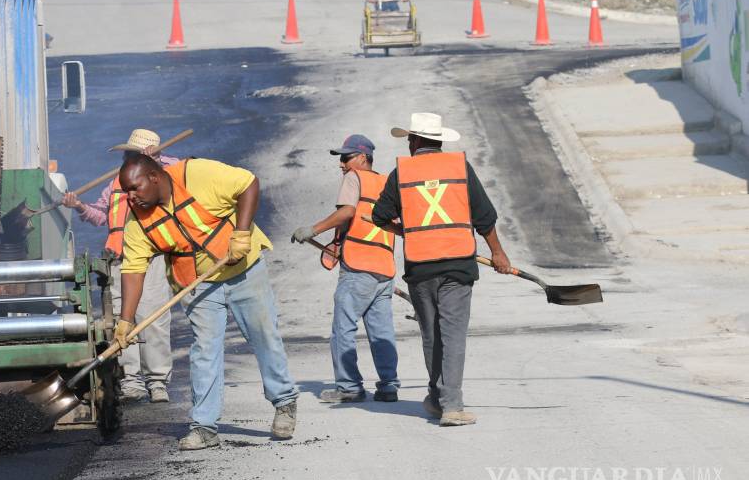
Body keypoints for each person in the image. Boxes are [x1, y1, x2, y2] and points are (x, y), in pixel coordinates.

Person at [114, 153, 299, 451]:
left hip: (244, 270)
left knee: (264, 337)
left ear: (154, 177)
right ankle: (204, 426)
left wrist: (241, 233)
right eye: (126, 192)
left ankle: (284, 402)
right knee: (204, 351)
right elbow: (133, 270)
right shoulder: (138, 221)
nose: (131, 197)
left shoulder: (196, 175)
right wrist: (126, 320)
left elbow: (249, 184)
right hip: (198, 284)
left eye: (134, 188)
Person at [371, 113, 511, 427]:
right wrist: (498, 253)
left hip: (420, 269)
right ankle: (451, 406)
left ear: (416, 140)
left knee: (431, 336)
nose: (408, 143)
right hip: (458, 266)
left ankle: (437, 400)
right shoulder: (459, 168)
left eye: (409, 138)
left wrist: (410, 230)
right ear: (439, 141)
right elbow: (484, 216)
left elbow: (380, 216)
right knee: (453, 336)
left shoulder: (401, 173)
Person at [62, 128, 178, 404]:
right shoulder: (116, 183)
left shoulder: (168, 172)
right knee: (122, 322)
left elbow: (177, 177)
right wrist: (79, 206)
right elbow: (101, 216)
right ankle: (131, 380)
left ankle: (158, 381)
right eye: (126, 154)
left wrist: (157, 162)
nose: (125, 158)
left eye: (131, 154)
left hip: (151, 257)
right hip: (119, 259)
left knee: (154, 319)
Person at [290, 134, 400, 403]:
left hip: (358, 267)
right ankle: (388, 386)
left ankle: (349, 387)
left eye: (346, 157)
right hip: (384, 268)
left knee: (343, 328)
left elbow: (347, 212)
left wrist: (312, 229)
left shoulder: (355, 177)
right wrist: (338, 244)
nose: (342, 164)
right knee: (382, 332)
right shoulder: (387, 182)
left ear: (363, 158)